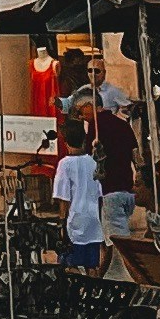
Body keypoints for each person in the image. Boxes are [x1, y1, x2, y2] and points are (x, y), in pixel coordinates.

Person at [51, 113, 104, 272]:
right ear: (84, 140)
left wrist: (61, 223)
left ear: (65, 142)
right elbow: (100, 195)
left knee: (71, 265)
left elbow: (63, 199)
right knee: (91, 266)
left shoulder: (65, 164)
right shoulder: (93, 162)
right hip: (94, 221)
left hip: (75, 223)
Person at [92, 84, 142, 243]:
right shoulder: (123, 125)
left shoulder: (96, 127)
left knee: (117, 244)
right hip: (127, 192)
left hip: (110, 192)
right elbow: (137, 157)